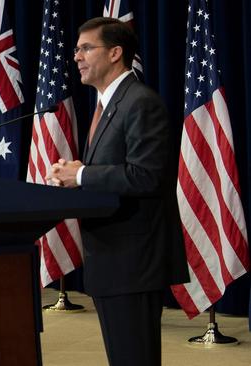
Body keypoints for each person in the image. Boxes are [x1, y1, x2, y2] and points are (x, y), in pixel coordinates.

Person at [45, 18, 189, 366]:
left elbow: (146, 176)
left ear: (115, 53)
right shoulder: (110, 104)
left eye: (86, 48)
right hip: (112, 259)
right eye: (76, 49)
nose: (76, 56)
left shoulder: (140, 102)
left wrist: (82, 175)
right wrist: (76, 175)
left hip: (133, 260)